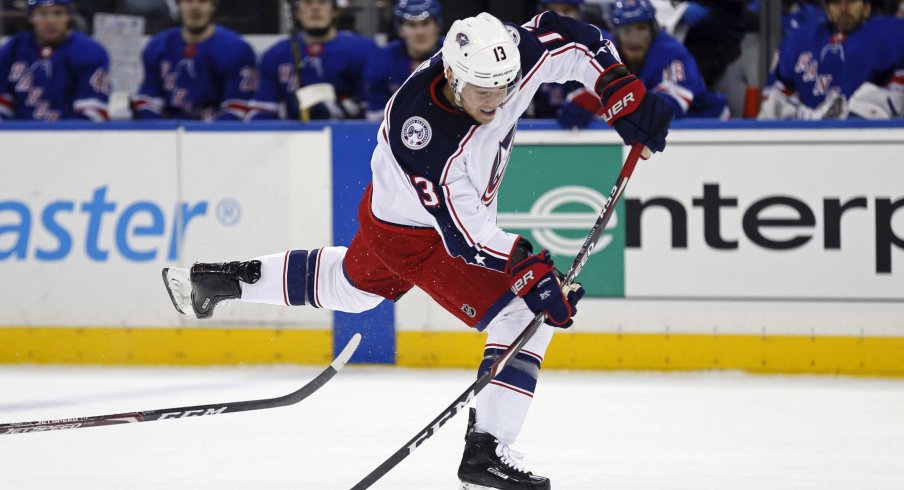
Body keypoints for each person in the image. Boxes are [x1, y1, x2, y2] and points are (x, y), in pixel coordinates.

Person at [163, 11, 672, 489]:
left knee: (352, 290)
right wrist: (530, 271)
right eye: (482, 92)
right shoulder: (425, 136)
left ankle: (215, 281)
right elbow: (466, 237)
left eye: (505, 88)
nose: (496, 102)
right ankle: (486, 451)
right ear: (452, 75)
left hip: (388, 219)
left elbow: (574, 40)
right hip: (420, 236)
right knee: (520, 313)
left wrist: (617, 87)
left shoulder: (500, 63)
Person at [556, 0, 727, 128]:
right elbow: (590, 94)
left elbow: (669, 105)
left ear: (652, 30)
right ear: (615, 34)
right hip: (655, 132)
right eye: (626, 31)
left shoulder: (671, 52)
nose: (634, 39)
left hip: (705, 125)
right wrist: (588, 99)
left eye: (641, 29)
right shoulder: (607, 52)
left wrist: (609, 104)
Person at [759, 0, 904, 119]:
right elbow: (775, 98)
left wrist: (869, 106)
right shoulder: (799, 40)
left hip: (869, 137)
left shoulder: (892, 32)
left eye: (851, 2)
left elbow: (898, 91)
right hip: (808, 137)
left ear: (866, 7)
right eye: (836, 2)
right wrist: (803, 116)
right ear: (827, 10)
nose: (843, 8)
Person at [246, 0, 376, 121]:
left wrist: (346, 108)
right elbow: (262, 111)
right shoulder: (276, 54)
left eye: (322, 2)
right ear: (296, 13)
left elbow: (375, 109)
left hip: (351, 137)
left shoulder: (363, 50)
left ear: (335, 11)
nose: (315, 8)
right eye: (307, 2)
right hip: (296, 138)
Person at [132, 0, 257, 121]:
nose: (195, 7)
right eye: (188, 1)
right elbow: (147, 101)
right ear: (178, 5)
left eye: (202, 1)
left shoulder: (236, 48)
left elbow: (237, 108)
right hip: (169, 132)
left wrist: (207, 135)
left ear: (213, 6)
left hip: (217, 134)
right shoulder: (158, 46)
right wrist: (163, 132)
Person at [0, 0, 110, 121]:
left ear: (68, 16)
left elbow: (93, 114)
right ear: (31, 17)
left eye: (58, 13)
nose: (50, 21)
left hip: (73, 136)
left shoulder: (90, 51)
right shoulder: (12, 49)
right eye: (43, 14)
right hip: (17, 135)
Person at [364, 0, 443, 121]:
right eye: (412, 25)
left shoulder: (457, 54)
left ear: (438, 26)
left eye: (425, 23)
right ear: (400, 30)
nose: (420, 32)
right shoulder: (382, 59)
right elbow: (375, 115)